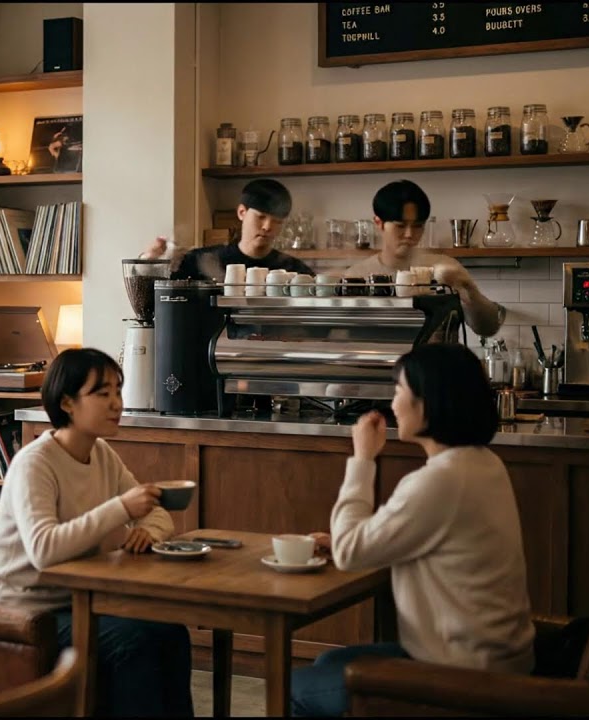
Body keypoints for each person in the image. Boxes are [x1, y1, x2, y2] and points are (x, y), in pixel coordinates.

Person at [291, 343, 534, 717]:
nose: (392, 404)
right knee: (327, 662)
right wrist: (350, 541)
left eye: (398, 391)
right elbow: (416, 540)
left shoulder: (440, 480)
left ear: (427, 403)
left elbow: (351, 552)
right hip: (498, 661)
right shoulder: (484, 463)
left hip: (459, 678)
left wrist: (362, 458)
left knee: (293, 688)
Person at [0, 347, 193, 718]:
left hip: (76, 602)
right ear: (67, 402)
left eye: (118, 392)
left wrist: (148, 531)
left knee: (172, 632)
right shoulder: (36, 463)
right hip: (21, 611)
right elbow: (44, 549)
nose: (116, 404)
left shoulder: (103, 454)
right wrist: (122, 509)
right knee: (132, 643)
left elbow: (156, 513)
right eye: (102, 393)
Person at [344, 179, 504, 336]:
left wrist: (470, 289)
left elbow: (488, 328)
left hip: (437, 361)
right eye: (400, 226)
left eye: (418, 226)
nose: (409, 234)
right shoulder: (356, 276)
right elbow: (343, 333)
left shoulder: (445, 267)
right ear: (379, 223)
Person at [142, 178, 314, 281]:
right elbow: (153, 294)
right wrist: (148, 262)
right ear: (241, 212)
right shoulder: (202, 261)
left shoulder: (295, 270)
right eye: (261, 217)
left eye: (276, 221)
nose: (267, 226)